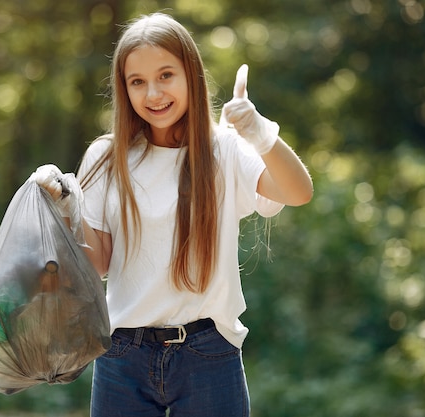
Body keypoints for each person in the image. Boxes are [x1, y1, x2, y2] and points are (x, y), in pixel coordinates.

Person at [35, 12, 312, 417]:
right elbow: (97, 264)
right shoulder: (107, 157)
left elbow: (298, 191)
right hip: (122, 355)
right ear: (124, 89)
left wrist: (259, 132)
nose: (153, 93)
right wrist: (66, 211)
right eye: (138, 82)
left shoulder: (225, 151)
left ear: (191, 75)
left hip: (208, 353)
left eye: (166, 75)